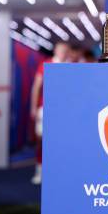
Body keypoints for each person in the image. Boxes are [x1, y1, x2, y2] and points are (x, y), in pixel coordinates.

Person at [30, 41, 70, 184]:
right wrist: (33, 107)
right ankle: (39, 171)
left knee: (62, 143)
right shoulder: (45, 65)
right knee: (42, 141)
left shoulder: (71, 67)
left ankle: (60, 173)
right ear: (56, 51)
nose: (63, 53)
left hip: (64, 112)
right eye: (61, 50)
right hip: (45, 108)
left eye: (65, 51)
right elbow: (36, 87)